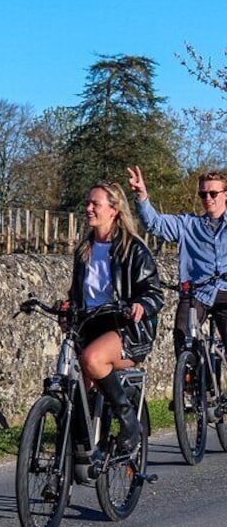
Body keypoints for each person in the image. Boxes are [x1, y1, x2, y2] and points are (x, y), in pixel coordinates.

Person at [67, 180, 163, 452]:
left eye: (95, 204)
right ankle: (79, 452)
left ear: (114, 210)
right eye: (87, 203)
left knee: (91, 359)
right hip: (91, 326)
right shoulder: (84, 250)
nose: (88, 208)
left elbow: (154, 292)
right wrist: (68, 307)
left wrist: (141, 304)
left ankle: (129, 420)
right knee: (73, 385)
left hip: (126, 329)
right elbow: (78, 293)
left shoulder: (134, 249)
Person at [128, 166, 227, 359]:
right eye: (203, 194)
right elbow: (154, 224)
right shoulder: (188, 225)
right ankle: (190, 384)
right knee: (183, 337)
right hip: (197, 293)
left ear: (225, 195)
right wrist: (142, 195)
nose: (208, 198)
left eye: (213, 193)